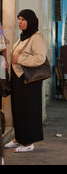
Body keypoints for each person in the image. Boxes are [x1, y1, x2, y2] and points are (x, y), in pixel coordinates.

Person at [5, 9, 46, 153]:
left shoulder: (36, 38)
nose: (19, 22)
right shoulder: (23, 37)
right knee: (18, 110)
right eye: (19, 19)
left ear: (31, 21)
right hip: (19, 80)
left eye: (23, 19)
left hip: (29, 81)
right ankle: (19, 138)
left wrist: (20, 59)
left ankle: (28, 143)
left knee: (28, 111)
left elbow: (40, 58)